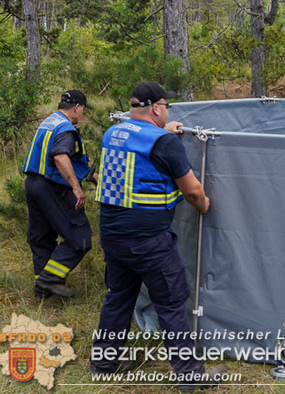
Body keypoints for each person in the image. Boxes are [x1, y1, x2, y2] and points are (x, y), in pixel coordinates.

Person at [90, 82, 225, 390]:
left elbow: (135, 155)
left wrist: (166, 132)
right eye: (166, 107)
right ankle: (191, 376)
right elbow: (191, 191)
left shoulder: (115, 133)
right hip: (148, 241)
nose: (167, 112)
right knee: (171, 302)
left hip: (113, 235)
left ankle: (103, 363)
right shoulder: (164, 143)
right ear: (156, 108)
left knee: (119, 298)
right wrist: (204, 205)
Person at [22, 90, 95, 299]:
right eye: (82, 110)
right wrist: (76, 187)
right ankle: (49, 279)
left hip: (33, 184)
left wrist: (93, 177)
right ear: (77, 108)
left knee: (41, 238)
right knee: (80, 240)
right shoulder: (66, 129)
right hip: (53, 187)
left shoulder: (49, 122)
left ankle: (41, 293)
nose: (82, 115)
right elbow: (61, 156)